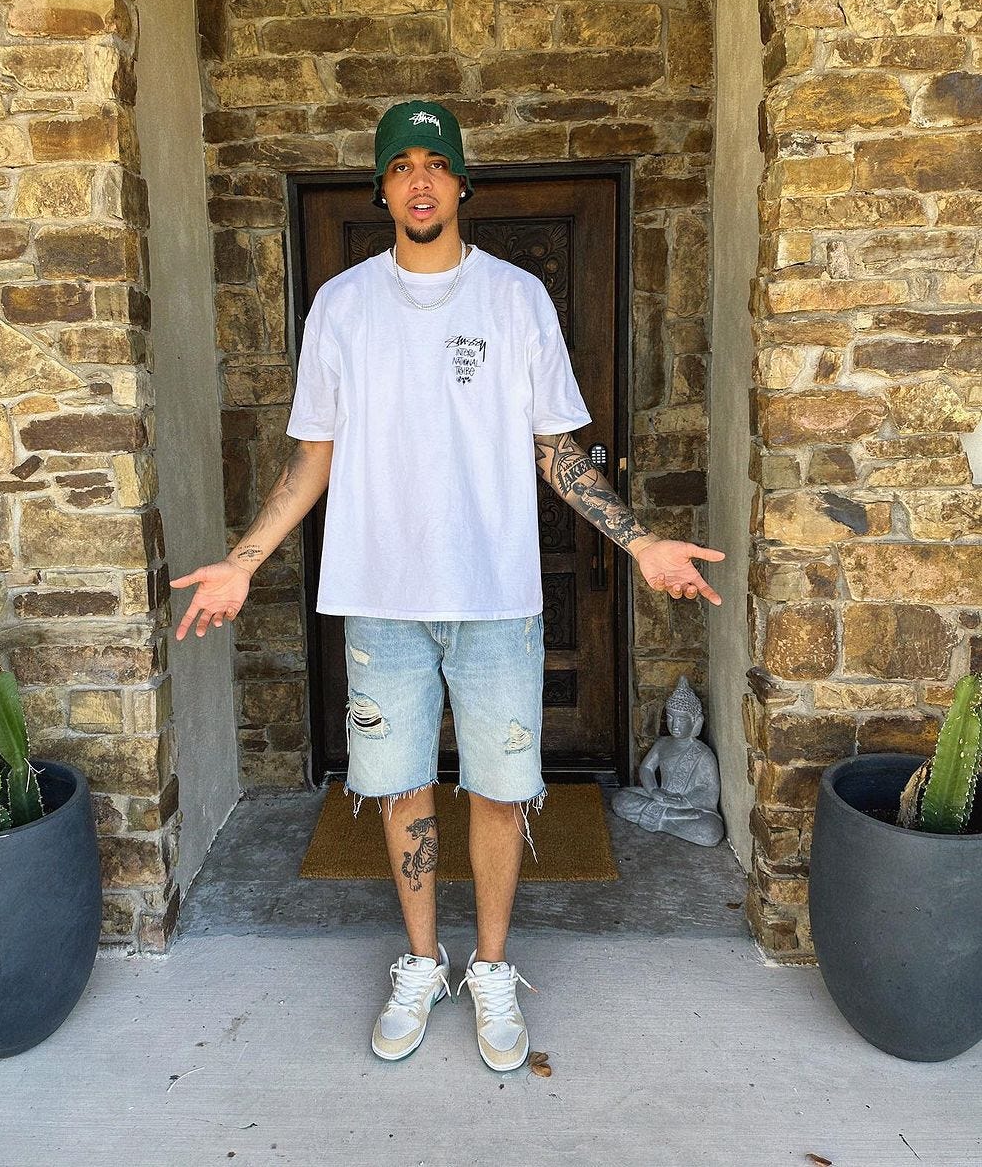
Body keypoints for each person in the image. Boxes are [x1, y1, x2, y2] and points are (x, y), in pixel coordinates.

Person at [172, 100, 725, 1072]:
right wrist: (245, 557)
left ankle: (494, 968)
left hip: (496, 596)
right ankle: (423, 961)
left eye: (436, 163)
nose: (419, 181)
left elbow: (559, 453)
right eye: (401, 166)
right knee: (401, 788)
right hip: (380, 595)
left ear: (461, 183)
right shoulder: (341, 306)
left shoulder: (516, 301)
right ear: (381, 187)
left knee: (503, 792)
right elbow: (312, 464)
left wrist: (639, 545)